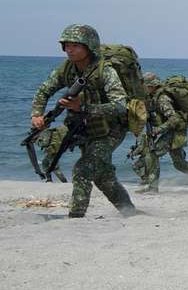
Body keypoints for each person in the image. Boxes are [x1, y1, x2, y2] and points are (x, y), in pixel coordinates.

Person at [30, 24, 136, 218]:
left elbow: (121, 106)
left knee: (82, 169)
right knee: (103, 177)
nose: (69, 50)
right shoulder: (68, 69)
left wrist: (84, 108)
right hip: (85, 129)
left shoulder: (106, 71)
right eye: (66, 45)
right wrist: (37, 114)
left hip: (111, 130)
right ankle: (130, 213)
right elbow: (44, 90)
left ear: (89, 47)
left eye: (75, 46)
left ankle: (76, 217)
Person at [136, 72, 188, 194]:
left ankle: (153, 187)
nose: (145, 88)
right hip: (176, 130)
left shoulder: (162, 98)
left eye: (146, 86)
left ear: (151, 86)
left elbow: (174, 119)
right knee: (179, 163)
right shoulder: (156, 96)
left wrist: (158, 130)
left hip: (174, 131)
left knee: (152, 155)